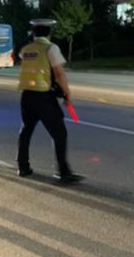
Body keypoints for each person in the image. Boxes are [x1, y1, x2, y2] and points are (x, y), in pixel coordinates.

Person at [16, 18, 83, 182]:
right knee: (59, 133)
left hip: (26, 95)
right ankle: (63, 171)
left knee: (26, 131)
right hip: (43, 96)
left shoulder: (26, 49)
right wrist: (67, 94)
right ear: (49, 33)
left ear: (33, 32)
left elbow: (24, 57)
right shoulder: (50, 48)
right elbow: (59, 74)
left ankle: (23, 167)